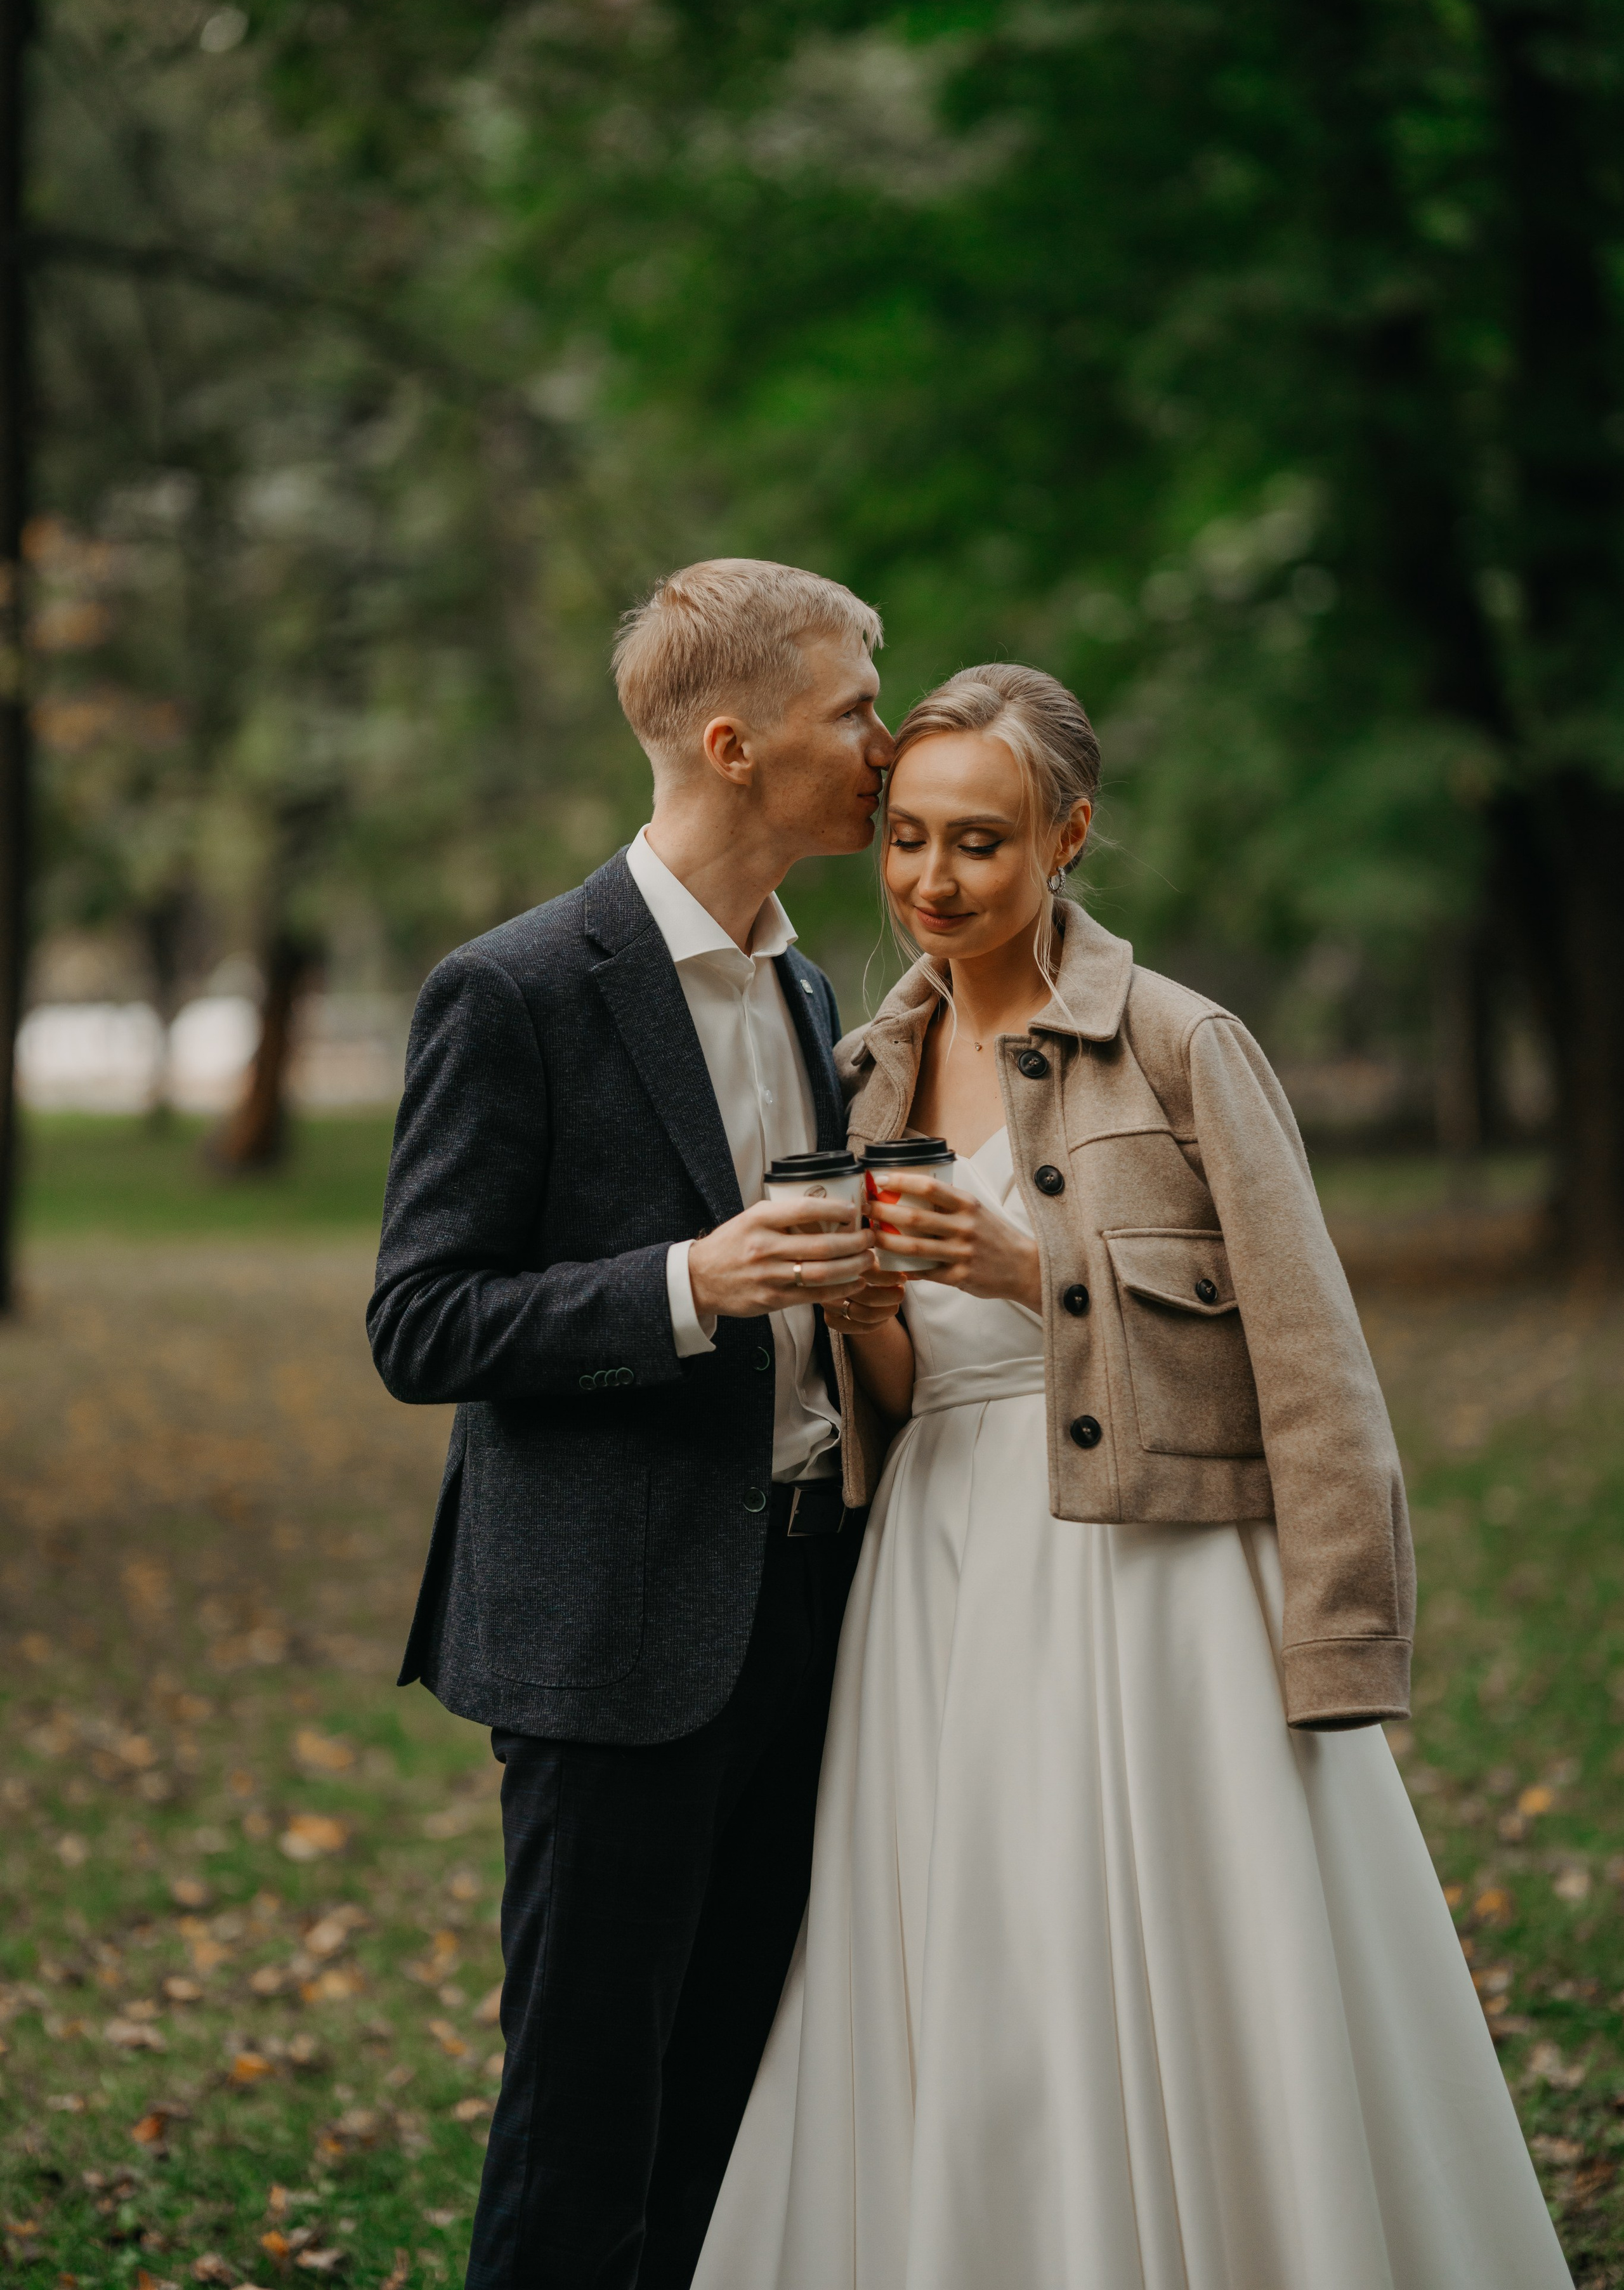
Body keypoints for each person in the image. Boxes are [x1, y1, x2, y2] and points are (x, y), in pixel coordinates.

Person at [693, 662, 1573, 2290]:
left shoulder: (1176, 1043)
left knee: (1179, 1959)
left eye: (980, 843)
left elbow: (1306, 1357)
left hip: (1148, 1577)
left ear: (1068, 839)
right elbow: (898, 1394)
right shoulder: (865, 1070)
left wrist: (1034, 1274)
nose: (929, 884)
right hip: (937, 1578)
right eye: (902, 839)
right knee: (975, 1964)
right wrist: (872, 1313)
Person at [368, 558, 896, 2290]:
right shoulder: (515, 989)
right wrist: (692, 1284)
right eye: (855, 713)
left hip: (808, 1615)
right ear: (738, 746)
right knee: (584, 2122)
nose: (885, 745)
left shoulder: (813, 994)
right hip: (612, 1642)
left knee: (733, 2105)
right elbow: (422, 1322)